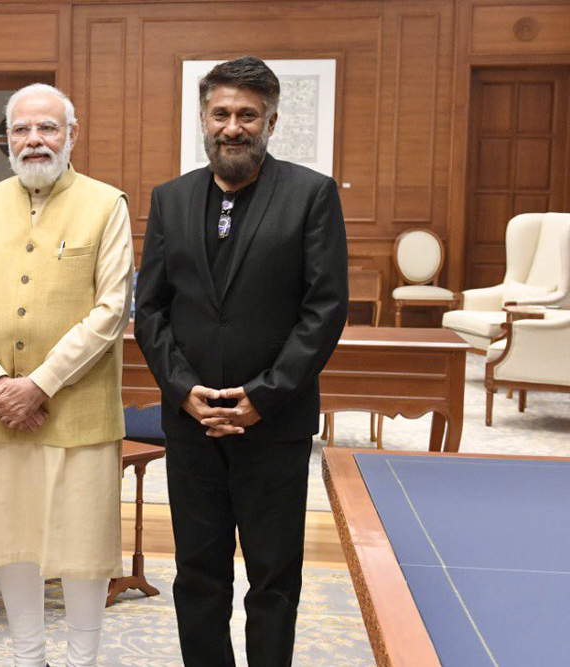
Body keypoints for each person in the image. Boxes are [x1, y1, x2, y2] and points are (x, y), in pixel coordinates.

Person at [134, 56, 349, 667]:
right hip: (192, 424)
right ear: (203, 118)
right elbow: (149, 310)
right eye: (221, 113)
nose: (233, 126)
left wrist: (264, 395)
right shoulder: (170, 200)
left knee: (273, 580)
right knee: (198, 576)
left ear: (271, 122)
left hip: (274, 427)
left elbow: (325, 308)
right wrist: (181, 390)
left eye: (247, 115)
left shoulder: (310, 195)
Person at [0, 83, 134, 667]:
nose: (33, 140)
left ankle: (82, 660)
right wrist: (0, 386)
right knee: (12, 543)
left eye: (47, 128)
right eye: (21, 129)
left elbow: (111, 312)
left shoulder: (108, 205)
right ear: (7, 140)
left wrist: (39, 385)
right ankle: (28, 657)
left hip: (78, 411)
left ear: (72, 136)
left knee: (82, 548)